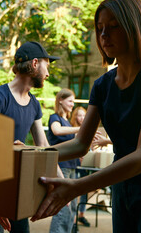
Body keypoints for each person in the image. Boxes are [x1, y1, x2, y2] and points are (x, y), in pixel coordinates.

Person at [31, 0, 141, 233]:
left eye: (114, 26)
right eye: (100, 28)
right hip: (123, 190)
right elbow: (79, 145)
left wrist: (76, 186)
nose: (104, 35)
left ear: (134, 27)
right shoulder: (102, 85)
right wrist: (30, 154)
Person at [0, 41, 60, 233]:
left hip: (19, 188)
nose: (48, 73)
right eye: (46, 65)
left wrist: (62, 182)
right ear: (34, 64)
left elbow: (43, 145)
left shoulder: (34, 105)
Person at [47, 88, 81, 233]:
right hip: (61, 167)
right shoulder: (55, 118)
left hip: (73, 166)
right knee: (63, 206)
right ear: (60, 100)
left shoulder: (68, 122)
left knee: (72, 206)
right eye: (70, 101)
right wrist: (79, 129)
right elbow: (57, 131)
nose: (72, 104)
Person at [70, 106, 91, 228]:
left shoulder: (89, 129)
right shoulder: (71, 129)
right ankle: (73, 220)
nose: (82, 118)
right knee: (75, 191)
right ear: (75, 117)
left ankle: (81, 215)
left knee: (85, 191)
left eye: (84, 115)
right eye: (79, 115)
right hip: (75, 164)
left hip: (85, 165)